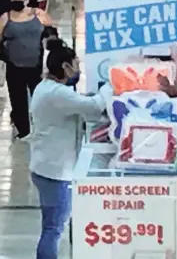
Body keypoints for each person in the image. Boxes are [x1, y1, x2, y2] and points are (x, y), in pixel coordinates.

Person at [30, 38, 113, 259]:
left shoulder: (48, 88)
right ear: (65, 67)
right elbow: (93, 107)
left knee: (52, 225)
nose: (77, 70)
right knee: (53, 229)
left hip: (45, 165)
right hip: (55, 171)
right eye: (76, 65)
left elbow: (80, 104)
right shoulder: (57, 93)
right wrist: (109, 87)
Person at [0, 0, 53, 140]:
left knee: (39, 97)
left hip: (35, 64)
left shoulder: (39, 15)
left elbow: (51, 33)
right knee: (18, 99)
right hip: (13, 65)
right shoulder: (5, 18)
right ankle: (24, 129)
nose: (17, 2)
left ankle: (41, 126)